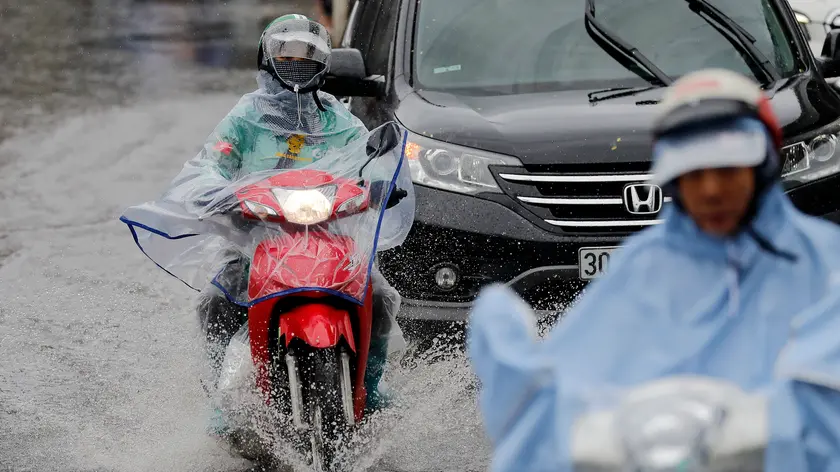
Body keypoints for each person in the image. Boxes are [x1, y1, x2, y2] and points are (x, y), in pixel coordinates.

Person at [467, 68, 840, 471]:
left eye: (728, 168)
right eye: (694, 172)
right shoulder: (643, 267)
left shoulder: (824, 263)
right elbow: (572, 388)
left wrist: (765, 431)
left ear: (764, 164)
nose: (711, 190)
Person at [120, 14, 410, 429]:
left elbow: (369, 157)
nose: (297, 62)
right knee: (217, 302)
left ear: (324, 64)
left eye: (308, 55)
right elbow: (210, 161)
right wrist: (214, 191)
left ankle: (373, 386)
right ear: (266, 58)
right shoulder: (244, 117)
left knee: (379, 296)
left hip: (329, 236)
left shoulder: (338, 118)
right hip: (253, 238)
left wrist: (382, 183)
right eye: (286, 53)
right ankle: (222, 397)